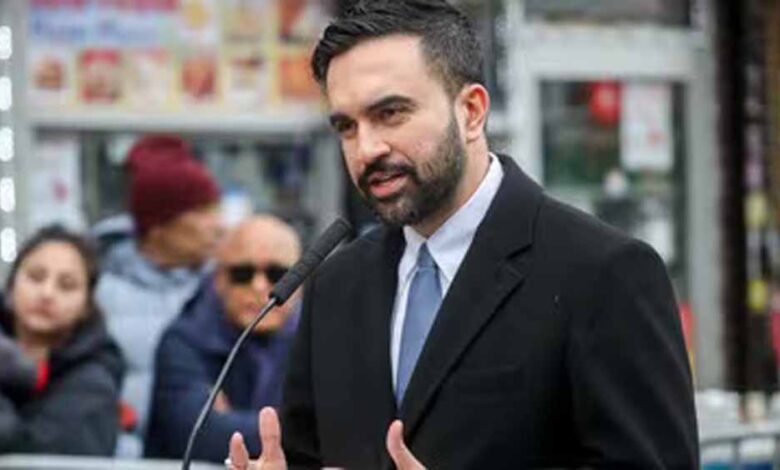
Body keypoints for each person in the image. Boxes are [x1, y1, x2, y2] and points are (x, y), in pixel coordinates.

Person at [229, 1, 699, 468]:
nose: (366, 148)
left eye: (390, 113)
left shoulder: (603, 272)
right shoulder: (338, 283)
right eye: (347, 127)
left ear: (471, 112)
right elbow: (310, 453)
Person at [94, 134, 223, 456]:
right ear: (158, 225)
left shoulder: (224, 286)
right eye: (202, 211)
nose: (218, 225)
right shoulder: (98, 293)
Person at [145, 215, 301, 462]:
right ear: (219, 280)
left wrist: (231, 422)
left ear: (301, 282)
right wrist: (301, 427)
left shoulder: (320, 342)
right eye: (242, 274)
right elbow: (201, 437)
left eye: (277, 274)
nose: (260, 286)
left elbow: (343, 429)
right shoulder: (182, 341)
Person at [0, 225, 123, 455]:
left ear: (86, 305)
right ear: (11, 285)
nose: (47, 293)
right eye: (36, 277)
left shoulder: (94, 382)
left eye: (67, 285)